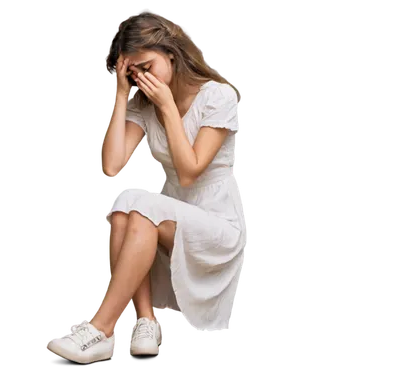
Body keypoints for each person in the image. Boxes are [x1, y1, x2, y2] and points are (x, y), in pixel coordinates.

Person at [45, 8, 248, 365]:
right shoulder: (143, 101)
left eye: (147, 67)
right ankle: (144, 323)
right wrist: (122, 96)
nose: (142, 79)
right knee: (125, 206)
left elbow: (189, 173)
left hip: (217, 227)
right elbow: (110, 167)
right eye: (133, 72)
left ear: (171, 54)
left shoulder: (217, 96)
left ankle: (100, 328)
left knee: (138, 203)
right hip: (169, 220)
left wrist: (168, 107)